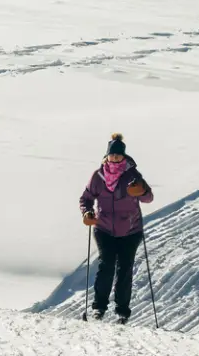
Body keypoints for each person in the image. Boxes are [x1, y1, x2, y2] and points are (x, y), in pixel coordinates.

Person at [79, 133, 154, 324]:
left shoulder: (132, 175)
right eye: (112, 155)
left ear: (124, 156)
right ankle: (99, 308)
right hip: (104, 229)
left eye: (118, 156)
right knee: (106, 267)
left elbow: (148, 198)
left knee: (125, 269)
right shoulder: (98, 176)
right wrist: (87, 213)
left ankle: (122, 311)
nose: (115, 158)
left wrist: (142, 191)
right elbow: (86, 198)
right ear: (107, 155)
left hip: (131, 231)